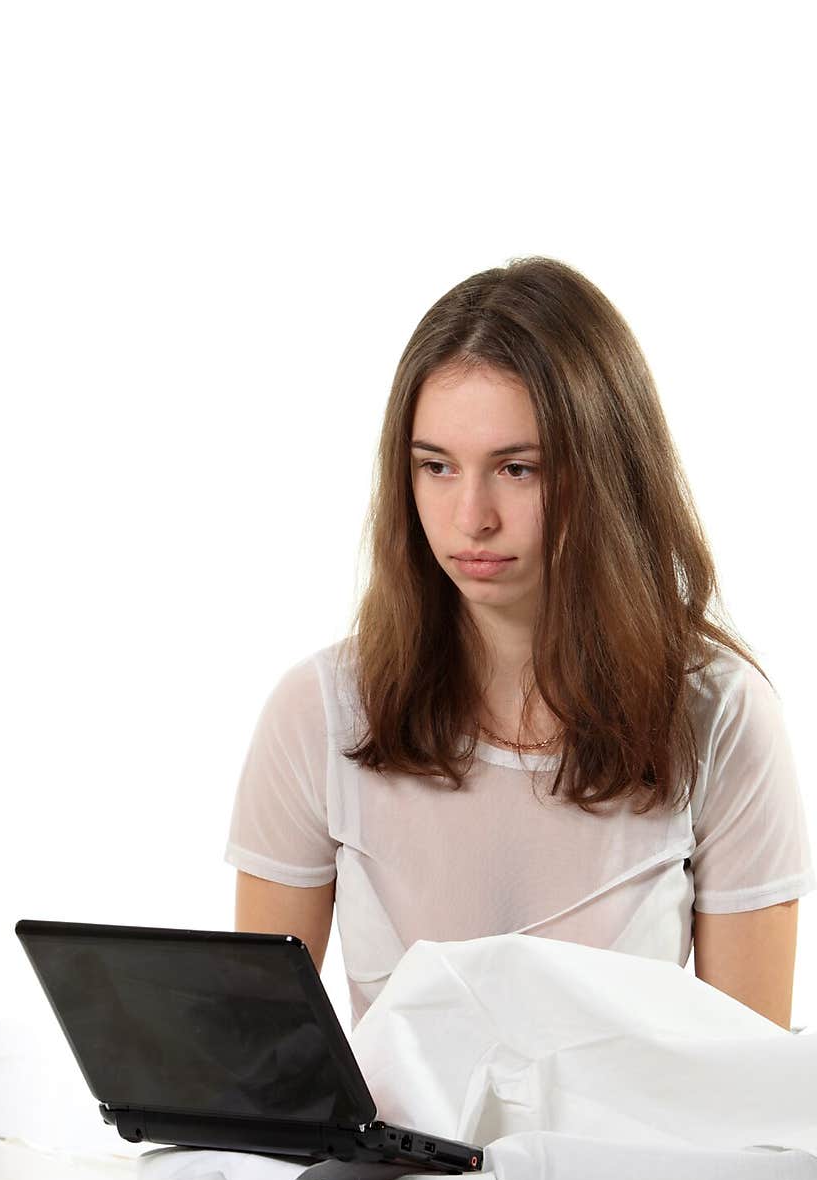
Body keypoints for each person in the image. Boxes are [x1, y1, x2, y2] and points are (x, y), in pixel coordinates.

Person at [226, 255, 815, 1033]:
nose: (472, 516)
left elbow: (746, 1094)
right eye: (436, 466)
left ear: (607, 472)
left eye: (518, 468)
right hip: (395, 1164)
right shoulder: (320, 712)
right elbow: (258, 1071)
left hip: (627, 1160)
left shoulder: (721, 718)